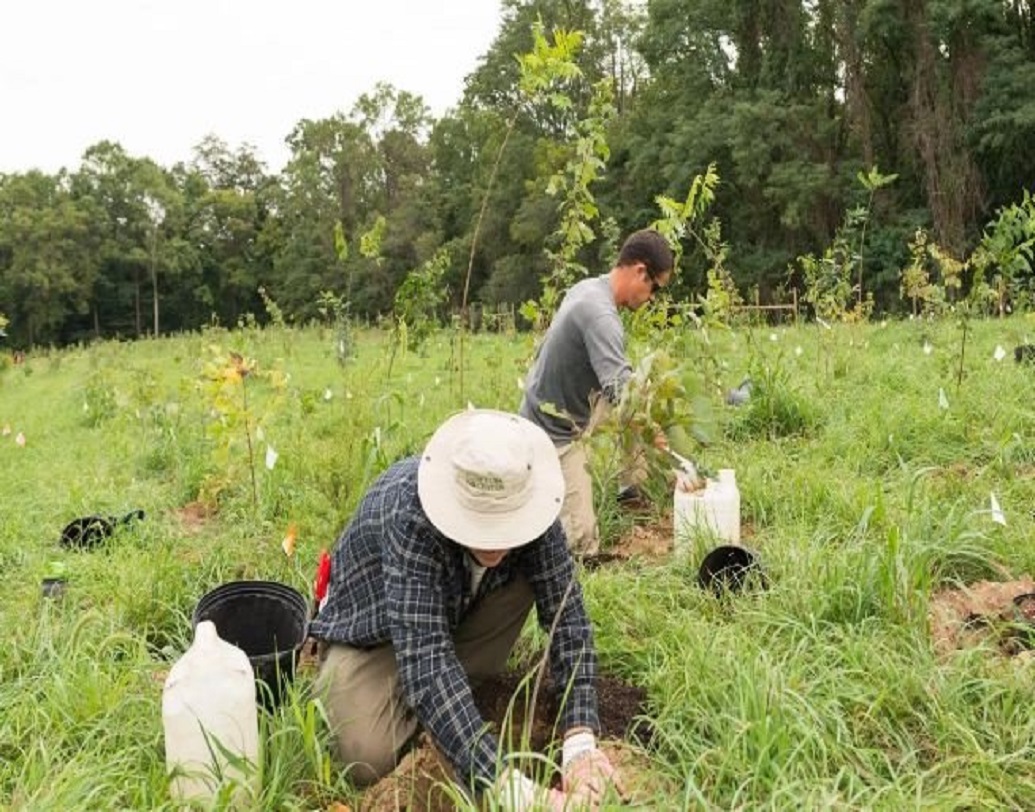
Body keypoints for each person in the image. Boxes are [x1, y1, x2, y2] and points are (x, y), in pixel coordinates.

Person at [309, 408, 626, 810]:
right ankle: (427, 709)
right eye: (480, 524)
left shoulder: (529, 498)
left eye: (505, 524)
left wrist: (580, 742)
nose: (494, 542)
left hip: (455, 615)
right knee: (363, 755)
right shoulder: (410, 514)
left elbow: (568, 615)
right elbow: (426, 659)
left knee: (530, 584)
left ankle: (445, 709)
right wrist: (507, 787)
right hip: (375, 633)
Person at [519, 229, 674, 556]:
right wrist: (655, 433)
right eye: (655, 288)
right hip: (556, 431)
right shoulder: (600, 315)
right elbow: (620, 393)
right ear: (640, 272)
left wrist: (650, 417)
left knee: (641, 395)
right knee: (581, 540)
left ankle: (632, 491)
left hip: (575, 403)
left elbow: (623, 385)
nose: (652, 298)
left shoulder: (589, 287)